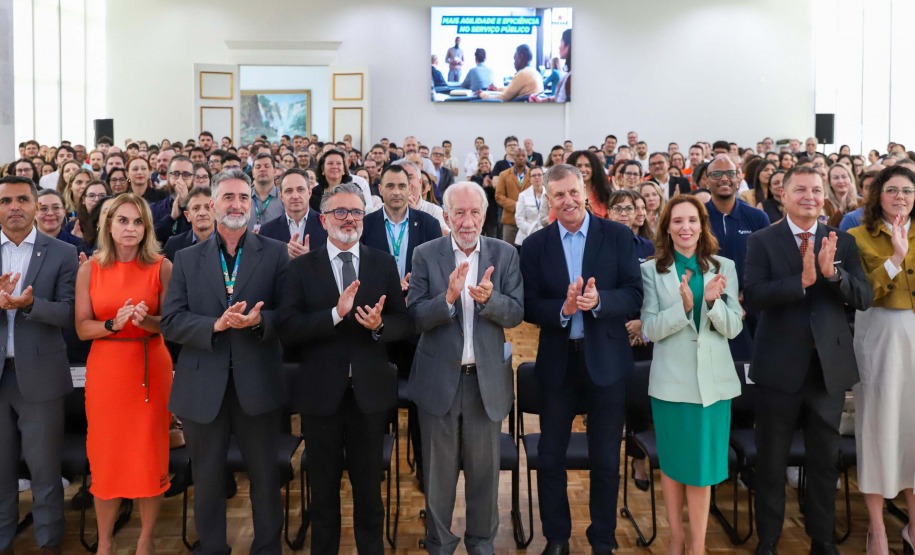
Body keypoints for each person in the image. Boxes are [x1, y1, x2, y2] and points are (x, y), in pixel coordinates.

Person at [743, 166, 873, 555]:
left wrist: (833, 275)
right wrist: (798, 282)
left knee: (823, 462)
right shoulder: (763, 241)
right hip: (777, 368)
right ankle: (768, 538)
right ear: (782, 195)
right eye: (801, 190)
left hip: (826, 371)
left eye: (816, 190)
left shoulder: (843, 241)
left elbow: (863, 297)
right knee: (770, 461)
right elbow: (753, 296)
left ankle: (822, 537)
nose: (810, 197)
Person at [161, 169, 290, 554]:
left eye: (243, 198)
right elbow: (170, 321)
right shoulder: (184, 258)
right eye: (228, 198)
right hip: (203, 386)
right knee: (208, 479)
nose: (236, 205)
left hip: (258, 383)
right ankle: (213, 547)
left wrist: (261, 321)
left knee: (266, 478)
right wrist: (213, 325)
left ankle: (267, 548)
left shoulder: (276, 253)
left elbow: (289, 314)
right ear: (212, 205)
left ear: (252, 206)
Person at [279, 182, 410, 554]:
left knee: (370, 494)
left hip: (369, 396)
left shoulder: (383, 262)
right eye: (340, 212)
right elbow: (288, 329)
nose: (349, 219)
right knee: (323, 494)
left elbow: (404, 322)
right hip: (321, 397)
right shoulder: (302, 268)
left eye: (356, 212)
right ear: (323, 220)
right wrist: (335, 315)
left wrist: (380, 327)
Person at [520, 164, 643, 555]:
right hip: (558, 364)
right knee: (550, 455)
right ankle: (557, 538)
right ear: (549, 201)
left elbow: (634, 293)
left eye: (573, 192)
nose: (568, 200)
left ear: (585, 191)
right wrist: (563, 307)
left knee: (607, 459)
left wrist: (600, 301)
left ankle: (602, 540)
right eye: (559, 195)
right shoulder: (536, 245)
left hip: (606, 363)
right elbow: (528, 305)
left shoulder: (618, 235)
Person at [408, 181, 523, 552]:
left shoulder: (504, 255)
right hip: (439, 381)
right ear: (446, 216)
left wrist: (491, 301)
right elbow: (415, 317)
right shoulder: (426, 254)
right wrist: (448, 298)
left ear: (485, 215)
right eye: (459, 212)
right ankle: (439, 544)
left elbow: (517, 313)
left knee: (484, 475)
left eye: (474, 212)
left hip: (485, 383)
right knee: (438, 475)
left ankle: (481, 543)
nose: (467, 220)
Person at [640, 195, 742, 555]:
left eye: (693, 220)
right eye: (678, 221)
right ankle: (676, 538)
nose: (686, 227)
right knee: (672, 465)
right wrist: (683, 308)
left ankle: (697, 546)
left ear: (703, 226)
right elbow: (650, 329)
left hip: (713, 386)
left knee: (701, 468)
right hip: (671, 383)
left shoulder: (723, 266)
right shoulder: (651, 270)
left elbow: (733, 329)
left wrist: (712, 303)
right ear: (666, 227)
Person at [74, 193, 173, 555]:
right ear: (108, 225)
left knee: (149, 455)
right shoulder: (90, 268)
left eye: (137, 221)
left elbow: (173, 324)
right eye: (122, 221)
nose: (130, 228)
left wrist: (143, 319)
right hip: (107, 371)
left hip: (150, 367)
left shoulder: (162, 266)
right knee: (107, 457)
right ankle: (105, 542)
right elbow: (83, 328)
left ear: (146, 227)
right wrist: (114, 324)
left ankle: (145, 540)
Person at [0, 176, 78, 555]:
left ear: (36, 206)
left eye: (22, 199)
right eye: (5, 200)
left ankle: (48, 543)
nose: (14, 206)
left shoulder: (61, 253)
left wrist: (29, 305)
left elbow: (69, 314)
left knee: (45, 471)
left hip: (41, 379)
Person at [847, 165, 915, 555]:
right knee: (878, 429)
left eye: (907, 190)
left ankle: (911, 525)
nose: (901, 197)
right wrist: (896, 258)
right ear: (878, 195)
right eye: (892, 190)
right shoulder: (856, 236)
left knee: (912, 430)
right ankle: (876, 528)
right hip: (879, 339)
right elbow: (860, 292)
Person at [703, 155, 770, 361]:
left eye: (730, 173)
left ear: (739, 178)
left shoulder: (757, 218)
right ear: (706, 181)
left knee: (750, 371)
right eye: (716, 174)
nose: (724, 179)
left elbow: (767, 262)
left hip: (751, 308)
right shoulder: (698, 218)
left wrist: (744, 293)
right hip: (708, 307)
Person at [258, 168, 327, 258]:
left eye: (300, 190)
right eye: (289, 191)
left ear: (309, 193)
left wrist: (309, 259)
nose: (295, 196)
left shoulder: (327, 226)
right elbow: (264, 267)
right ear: (281, 196)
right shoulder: (266, 231)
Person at [162, 187, 215, 262]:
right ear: (187, 215)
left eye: (208, 207)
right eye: (196, 208)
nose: (202, 213)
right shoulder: (173, 244)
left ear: (216, 212)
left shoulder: (228, 243)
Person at [478, 44, 543, 101]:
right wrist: (497, 89)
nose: (514, 63)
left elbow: (502, 98)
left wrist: (482, 94)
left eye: (515, 58)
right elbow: (512, 89)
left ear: (521, 57)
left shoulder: (523, 74)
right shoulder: (535, 73)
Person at [495, 148, 530, 244]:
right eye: (518, 156)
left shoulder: (533, 175)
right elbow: (499, 195)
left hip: (529, 221)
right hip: (510, 220)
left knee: (528, 252)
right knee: (508, 251)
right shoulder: (504, 174)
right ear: (513, 157)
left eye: (523, 156)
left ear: (527, 157)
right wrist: (517, 206)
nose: (520, 158)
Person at [530, 29, 572, 103]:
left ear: (568, 47)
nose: (559, 47)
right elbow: (560, 97)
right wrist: (543, 100)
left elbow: (544, 83)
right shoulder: (565, 74)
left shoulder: (569, 77)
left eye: (561, 42)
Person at [248, 153, 285, 232]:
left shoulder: (284, 197)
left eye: (267, 166)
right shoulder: (244, 197)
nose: (262, 169)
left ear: (274, 171)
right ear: (253, 172)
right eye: (258, 167)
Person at [515, 165, 546, 246]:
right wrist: (532, 230)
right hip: (527, 235)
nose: (537, 177)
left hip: (546, 234)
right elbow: (519, 218)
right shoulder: (523, 195)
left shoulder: (550, 194)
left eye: (539, 175)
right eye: (534, 175)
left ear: (543, 176)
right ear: (529, 179)